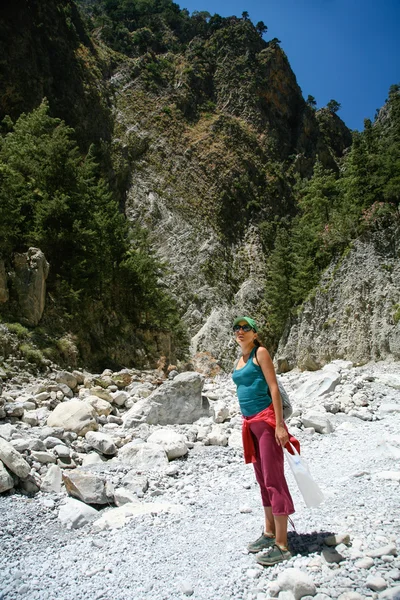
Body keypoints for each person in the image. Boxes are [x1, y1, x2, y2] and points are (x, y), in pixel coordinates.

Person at [231, 316, 299, 567]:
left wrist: (280, 425)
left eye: (245, 328)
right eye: (237, 328)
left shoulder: (261, 353)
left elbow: (273, 389)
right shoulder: (240, 359)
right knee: (262, 480)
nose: (240, 331)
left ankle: (282, 545)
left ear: (255, 333)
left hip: (268, 423)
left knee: (274, 480)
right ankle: (270, 533)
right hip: (250, 424)